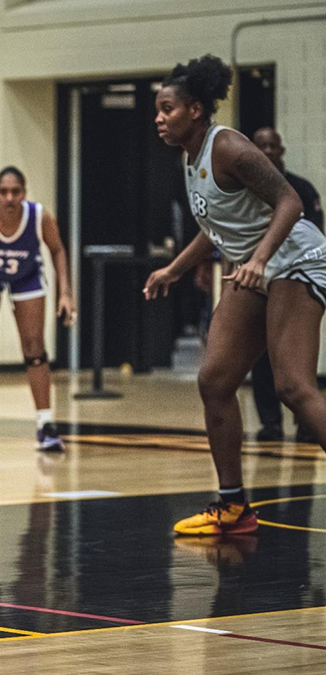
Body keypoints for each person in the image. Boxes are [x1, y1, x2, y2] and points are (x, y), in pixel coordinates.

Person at [144, 55, 326, 535]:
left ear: (196, 109)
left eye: (167, 109)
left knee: (293, 386)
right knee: (215, 380)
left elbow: (291, 202)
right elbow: (216, 227)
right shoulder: (189, 156)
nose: (159, 118)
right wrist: (175, 269)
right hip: (257, 266)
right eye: (157, 110)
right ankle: (232, 507)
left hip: (297, 259)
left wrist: (259, 261)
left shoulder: (227, 147)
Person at [0, 166, 75, 451]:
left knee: (34, 347)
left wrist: (65, 293)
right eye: (4, 192)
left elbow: (58, 249)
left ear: (24, 193)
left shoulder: (39, 216)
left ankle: (45, 424)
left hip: (26, 274)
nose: (10, 198)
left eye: (15, 192)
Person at [248, 127, 324, 442]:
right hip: (257, 277)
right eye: (261, 146)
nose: (267, 151)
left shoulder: (301, 189)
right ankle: (270, 424)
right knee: (260, 358)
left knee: (295, 370)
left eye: (272, 146)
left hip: (294, 275)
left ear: (281, 151)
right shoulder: (245, 188)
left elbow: (314, 234)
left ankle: (306, 424)